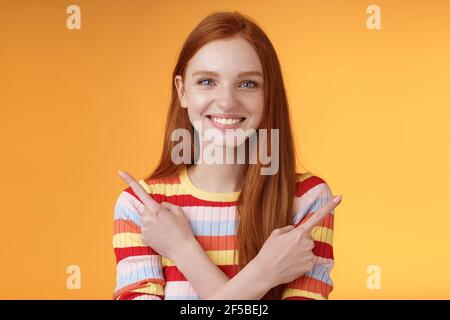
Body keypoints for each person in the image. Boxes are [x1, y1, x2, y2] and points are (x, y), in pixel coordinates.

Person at [112, 11, 342, 300]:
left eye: (247, 84)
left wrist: (184, 250)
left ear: (269, 94)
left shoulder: (307, 199)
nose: (226, 101)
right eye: (207, 81)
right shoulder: (144, 208)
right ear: (182, 92)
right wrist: (263, 274)